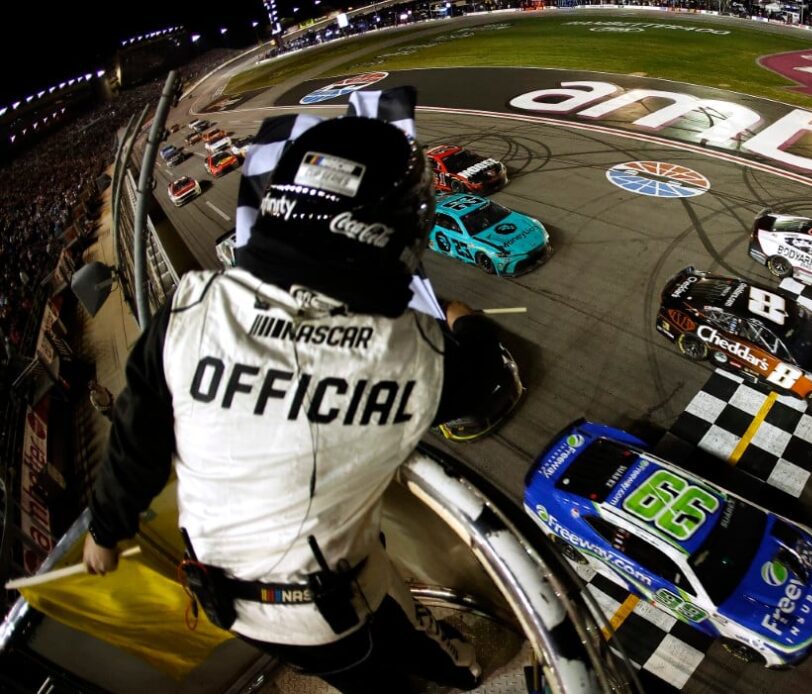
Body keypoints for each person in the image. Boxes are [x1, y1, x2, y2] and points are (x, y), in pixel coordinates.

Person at [82, 100, 503, 692]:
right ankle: (458, 670)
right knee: (402, 635)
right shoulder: (410, 350)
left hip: (229, 604)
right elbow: (482, 377)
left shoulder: (191, 306)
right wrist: (466, 318)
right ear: (392, 225)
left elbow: (137, 439)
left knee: (365, 683)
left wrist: (104, 529)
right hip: (337, 599)